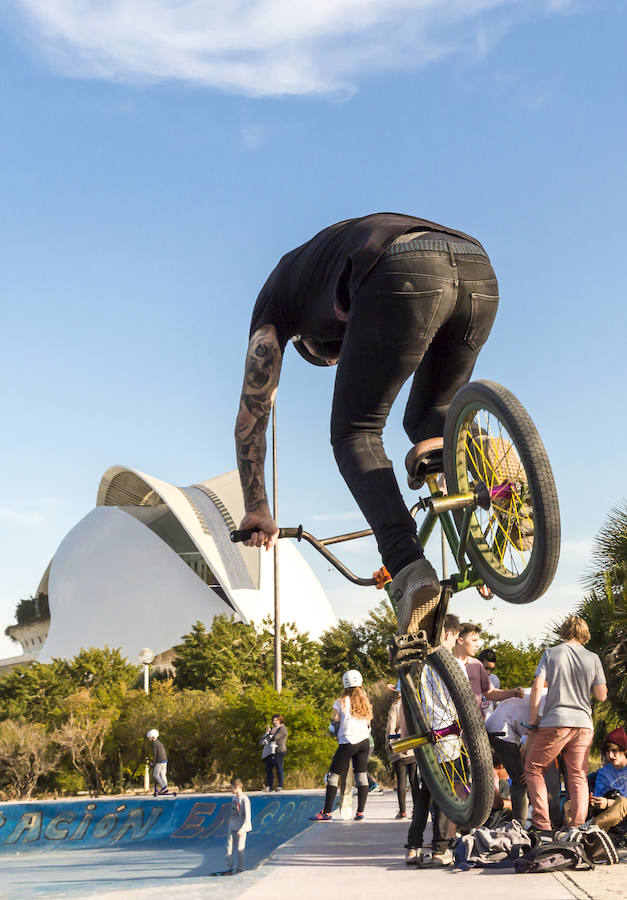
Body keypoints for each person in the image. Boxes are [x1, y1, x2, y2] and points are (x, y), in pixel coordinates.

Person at [235, 213, 499, 637]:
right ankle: (500, 490)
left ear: (310, 341)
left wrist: (256, 508)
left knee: (354, 431)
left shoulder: (276, 301)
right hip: (479, 269)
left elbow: (252, 413)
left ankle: (410, 569)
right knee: (432, 416)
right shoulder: (321, 260)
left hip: (401, 269)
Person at [524, 615, 607, 837]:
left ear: (563, 631)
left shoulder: (551, 654)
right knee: (578, 775)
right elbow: (601, 695)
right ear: (584, 633)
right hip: (583, 724)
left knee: (533, 768)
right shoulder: (593, 658)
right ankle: (577, 827)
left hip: (556, 721)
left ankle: (542, 826)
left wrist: (533, 721)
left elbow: (536, 688)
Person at [405, 613, 460, 867]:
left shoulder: (415, 664)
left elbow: (406, 703)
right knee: (443, 793)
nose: (455, 643)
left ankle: (413, 847)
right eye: (456, 638)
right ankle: (439, 848)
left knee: (424, 794)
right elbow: (462, 703)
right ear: (448, 634)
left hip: (421, 737)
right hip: (446, 736)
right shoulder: (450, 664)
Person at [310, 670, 373, 821]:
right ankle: (360, 813)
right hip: (364, 742)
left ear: (345, 683)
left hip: (347, 742)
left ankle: (326, 812)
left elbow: (335, 721)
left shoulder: (341, 701)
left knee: (333, 777)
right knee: (362, 777)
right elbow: (369, 722)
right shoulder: (365, 700)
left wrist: (332, 730)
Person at [485, 688, 547, 823]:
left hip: (507, 728)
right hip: (500, 729)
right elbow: (533, 735)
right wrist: (529, 767)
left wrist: (528, 766)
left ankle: (520, 821)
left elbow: (530, 740)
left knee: (525, 776)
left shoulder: (548, 694)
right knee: (520, 781)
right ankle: (518, 824)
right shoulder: (549, 701)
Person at [453, 623, 524, 714]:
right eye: (474, 640)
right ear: (460, 640)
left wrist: (512, 692)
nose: (477, 645)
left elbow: (490, 692)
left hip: (476, 724)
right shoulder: (443, 664)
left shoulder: (476, 665)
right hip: (449, 723)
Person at [386, 681, 418, 818]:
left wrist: (389, 746)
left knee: (401, 782)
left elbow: (390, 729)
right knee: (414, 781)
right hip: (413, 748)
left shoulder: (395, 707)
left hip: (399, 748)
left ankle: (402, 811)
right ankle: (417, 810)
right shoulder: (415, 706)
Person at [225, 778, 252, 874]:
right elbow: (233, 811)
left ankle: (239, 868)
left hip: (241, 828)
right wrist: (230, 819)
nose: (230, 790)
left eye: (231, 788)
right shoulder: (234, 798)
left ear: (236, 787)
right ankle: (229, 868)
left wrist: (243, 829)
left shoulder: (245, 800)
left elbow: (248, 818)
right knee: (229, 847)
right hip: (232, 826)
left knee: (240, 848)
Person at [260, 714, 288, 792]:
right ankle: (269, 786)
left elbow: (275, 738)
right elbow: (263, 739)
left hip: (279, 751)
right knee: (268, 768)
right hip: (270, 751)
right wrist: (267, 733)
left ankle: (280, 786)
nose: (274, 722)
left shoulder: (282, 729)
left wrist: (269, 735)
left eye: (276, 720)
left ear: (280, 720)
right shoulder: (273, 729)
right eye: (273, 720)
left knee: (279, 768)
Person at [478, 648, 500, 717]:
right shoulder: (470, 677)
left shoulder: (494, 679)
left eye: (491, 669)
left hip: (488, 722)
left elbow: (495, 704)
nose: (488, 672)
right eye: (486, 668)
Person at [146, 728, 168, 796]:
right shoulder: (159, 742)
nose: (149, 739)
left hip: (159, 761)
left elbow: (155, 753)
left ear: (152, 737)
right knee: (163, 774)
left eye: (149, 737)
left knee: (155, 775)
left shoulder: (154, 743)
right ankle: (165, 788)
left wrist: (153, 762)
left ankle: (163, 787)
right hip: (165, 760)